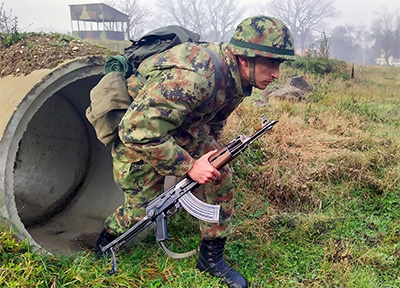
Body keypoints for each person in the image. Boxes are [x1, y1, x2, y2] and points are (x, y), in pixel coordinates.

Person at [94, 15, 295, 288]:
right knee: (143, 210)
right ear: (245, 57)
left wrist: (207, 158)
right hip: (140, 131)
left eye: (279, 64)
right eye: (271, 63)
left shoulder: (238, 80)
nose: (276, 74)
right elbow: (135, 130)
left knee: (219, 170)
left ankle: (210, 258)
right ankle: (105, 242)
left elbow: (214, 121)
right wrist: (188, 167)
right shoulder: (196, 76)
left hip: (180, 127)